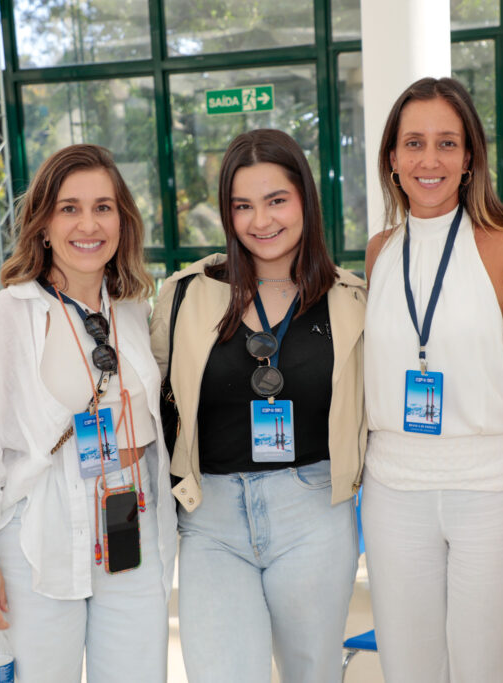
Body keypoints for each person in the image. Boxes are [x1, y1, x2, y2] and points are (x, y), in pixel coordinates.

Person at [361, 77, 503, 683]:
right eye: (413, 143)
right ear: (392, 158)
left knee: (489, 667)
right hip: (393, 491)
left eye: (446, 143)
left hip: (490, 489)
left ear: (469, 159)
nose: (429, 160)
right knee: (408, 668)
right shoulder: (379, 250)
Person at [0, 144, 176, 681]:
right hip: (37, 540)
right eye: (69, 208)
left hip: (128, 529)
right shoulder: (8, 317)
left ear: (123, 221)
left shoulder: (133, 310)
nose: (88, 224)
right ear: (43, 223)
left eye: (103, 207)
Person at [150, 129, 366, 683]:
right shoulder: (183, 295)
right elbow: (149, 401)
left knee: (311, 674)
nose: (260, 221)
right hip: (211, 519)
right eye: (242, 205)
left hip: (314, 513)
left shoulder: (351, 300)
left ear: (305, 202)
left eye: (276, 201)